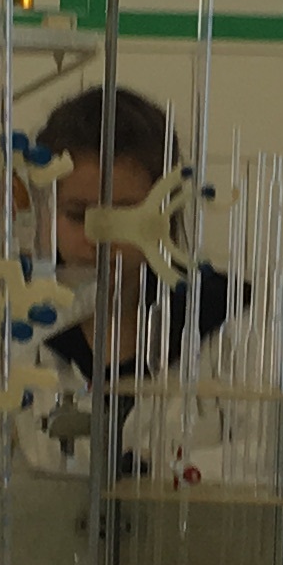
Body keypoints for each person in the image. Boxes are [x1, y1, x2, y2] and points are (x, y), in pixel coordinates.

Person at [35, 84, 226, 381]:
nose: (98, 240)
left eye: (123, 217)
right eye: (77, 215)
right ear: (45, 211)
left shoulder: (228, 319)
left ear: (165, 214)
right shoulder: (15, 326)